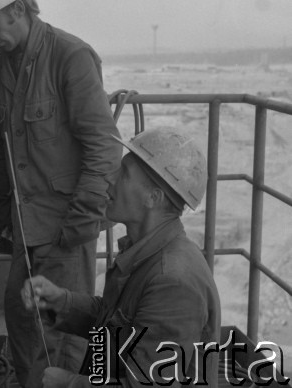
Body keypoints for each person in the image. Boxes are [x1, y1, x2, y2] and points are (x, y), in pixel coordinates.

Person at [0, 0, 122, 387]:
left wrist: (79, 224)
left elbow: (103, 147)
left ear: (17, 10)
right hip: (23, 231)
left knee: (67, 342)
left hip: (66, 229)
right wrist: (1, 213)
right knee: (25, 332)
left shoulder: (72, 57)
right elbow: (3, 150)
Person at [22, 127, 222, 387]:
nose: (111, 179)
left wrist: (68, 383)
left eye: (124, 174)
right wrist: (61, 302)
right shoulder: (145, 251)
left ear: (153, 198)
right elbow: (119, 325)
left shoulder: (172, 282)